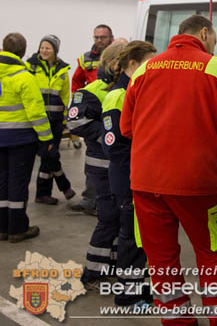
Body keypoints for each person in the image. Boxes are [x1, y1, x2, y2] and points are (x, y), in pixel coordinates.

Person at [120, 14, 217, 325]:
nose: (213, 48)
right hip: (198, 185)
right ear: (204, 33)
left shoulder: (144, 70)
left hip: (145, 184)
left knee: (161, 261)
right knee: (212, 256)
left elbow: (126, 128)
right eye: (214, 41)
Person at [101, 40, 156, 306]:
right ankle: (127, 295)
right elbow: (114, 146)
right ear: (132, 64)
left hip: (141, 175)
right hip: (128, 177)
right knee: (131, 238)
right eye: (148, 63)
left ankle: (137, 286)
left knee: (142, 237)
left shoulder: (137, 90)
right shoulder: (118, 95)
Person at [67, 42, 125, 286]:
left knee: (119, 218)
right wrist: (110, 135)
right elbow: (74, 122)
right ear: (115, 63)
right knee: (109, 217)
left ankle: (109, 265)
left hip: (120, 166)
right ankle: (93, 271)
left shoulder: (127, 88)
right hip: (101, 166)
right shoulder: (91, 91)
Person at [0, 33, 53, 242]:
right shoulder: (25, 77)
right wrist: (47, 139)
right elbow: (36, 114)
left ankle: (2, 228)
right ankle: (17, 229)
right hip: (20, 140)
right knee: (17, 184)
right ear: (22, 52)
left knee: (1, 183)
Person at [25, 35, 75, 205]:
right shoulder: (30, 67)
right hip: (37, 121)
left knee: (48, 157)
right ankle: (64, 185)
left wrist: (63, 121)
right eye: (42, 47)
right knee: (50, 154)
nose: (44, 51)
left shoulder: (62, 70)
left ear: (55, 50)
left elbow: (64, 97)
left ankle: (42, 194)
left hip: (55, 122)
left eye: (48, 48)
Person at [71, 24, 114, 92]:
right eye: (96, 37)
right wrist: (77, 100)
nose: (99, 40)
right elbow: (77, 81)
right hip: (91, 98)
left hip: (110, 97)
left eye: (103, 37)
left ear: (111, 38)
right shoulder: (85, 58)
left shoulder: (118, 56)